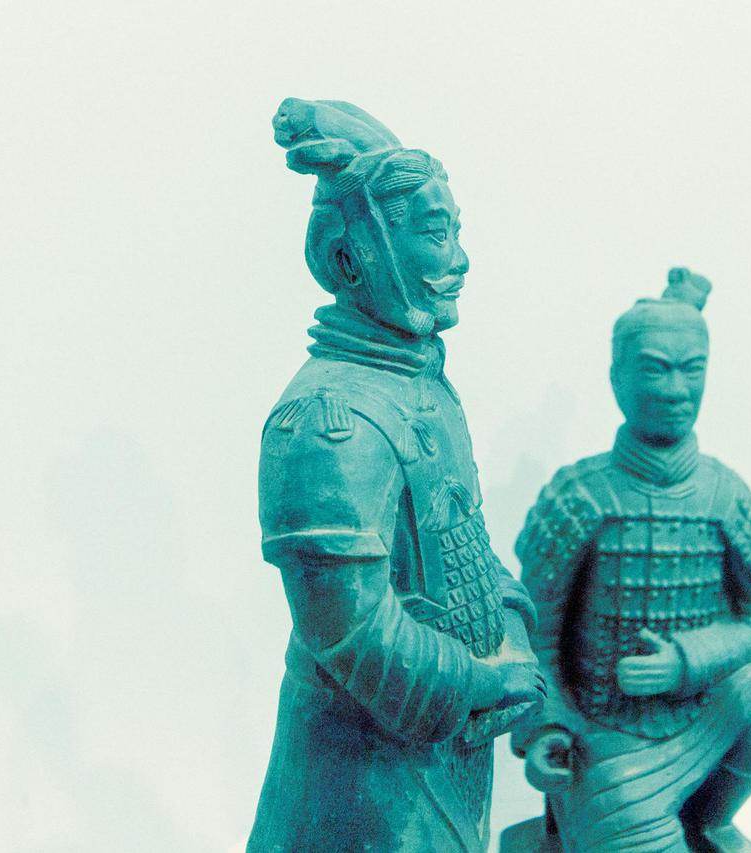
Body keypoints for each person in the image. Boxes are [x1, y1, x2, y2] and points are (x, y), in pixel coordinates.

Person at [248, 98, 544, 852]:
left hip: (440, 750)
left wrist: (512, 631)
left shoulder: (425, 389)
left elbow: (466, 546)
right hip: (362, 773)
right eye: (435, 232)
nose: (461, 258)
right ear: (351, 260)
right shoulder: (325, 419)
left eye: (456, 230)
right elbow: (349, 632)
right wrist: (478, 682)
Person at [508, 269, 751, 853]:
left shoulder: (726, 495)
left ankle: (709, 818)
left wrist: (686, 661)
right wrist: (546, 725)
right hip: (606, 734)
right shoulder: (580, 495)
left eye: (692, 368)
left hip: (705, 717)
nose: (675, 389)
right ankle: (596, 820)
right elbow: (531, 632)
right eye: (654, 367)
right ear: (616, 376)